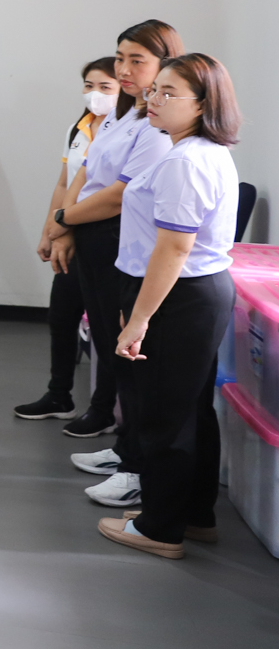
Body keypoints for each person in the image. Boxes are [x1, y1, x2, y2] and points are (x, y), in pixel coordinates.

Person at [97, 54, 240, 558]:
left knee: (163, 414)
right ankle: (194, 514)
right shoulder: (202, 150)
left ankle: (159, 528)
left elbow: (174, 248)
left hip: (176, 296)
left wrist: (139, 318)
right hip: (195, 293)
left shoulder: (184, 161)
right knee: (190, 408)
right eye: (153, 89)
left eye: (167, 92)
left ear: (203, 104)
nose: (152, 99)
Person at [46, 20, 180, 501]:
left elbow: (120, 195)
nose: (124, 69)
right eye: (120, 58)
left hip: (117, 236)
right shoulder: (125, 113)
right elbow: (85, 172)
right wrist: (64, 227)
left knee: (129, 359)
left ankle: (138, 467)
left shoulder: (157, 128)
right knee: (107, 345)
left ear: (165, 64)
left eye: (136, 60)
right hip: (92, 234)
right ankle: (125, 449)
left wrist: (63, 218)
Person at [13, 57, 119, 422]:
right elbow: (64, 183)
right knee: (61, 315)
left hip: (101, 236)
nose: (94, 93)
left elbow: (108, 193)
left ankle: (104, 409)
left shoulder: (126, 131)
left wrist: (66, 228)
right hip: (69, 233)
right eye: (89, 85)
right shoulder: (80, 127)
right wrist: (50, 231)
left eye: (105, 86)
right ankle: (59, 395)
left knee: (105, 329)